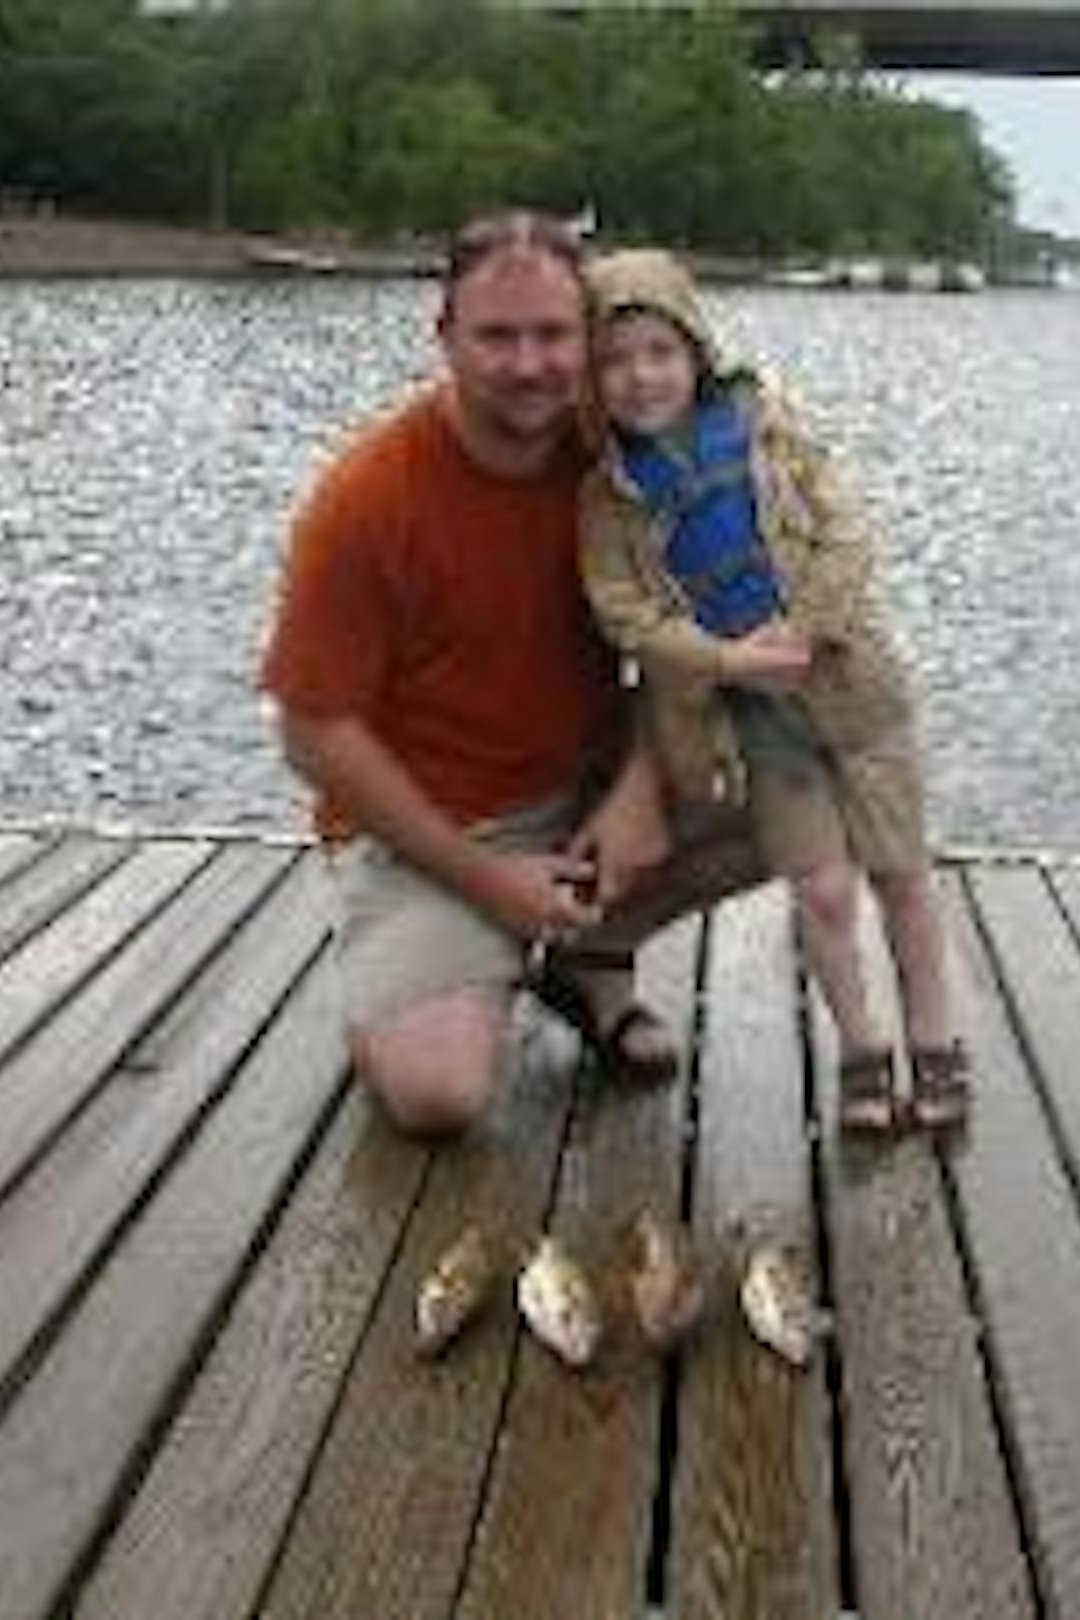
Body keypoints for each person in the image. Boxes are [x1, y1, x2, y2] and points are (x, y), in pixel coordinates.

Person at [259, 212, 756, 1136]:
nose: (530, 364)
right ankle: (446, 959)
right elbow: (311, 728)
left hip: (594, 792)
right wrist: (490, 882)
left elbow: (704, 622)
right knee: (438, 1096)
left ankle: (591, 953)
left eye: (554, 335)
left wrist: (642, 790)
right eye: (497, 336)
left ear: (587, 338)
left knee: (814, 760)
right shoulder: (367, 498)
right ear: (444, 335)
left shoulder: (621, 454)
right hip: (439, 822)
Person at [577, 248, 970, 1133]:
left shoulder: (768, 425)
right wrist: (727, 663)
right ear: (592, 380)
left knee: (901, 874)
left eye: (658, 353)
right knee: (823, 890)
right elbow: (628, 617)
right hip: (752, 719)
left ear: (696, 353)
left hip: (853, 688)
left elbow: (846, 530)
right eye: (614, 360)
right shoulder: (607, 499)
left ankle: (935, 1037)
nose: (640, 378)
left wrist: (805, 627)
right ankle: (864, 1050)